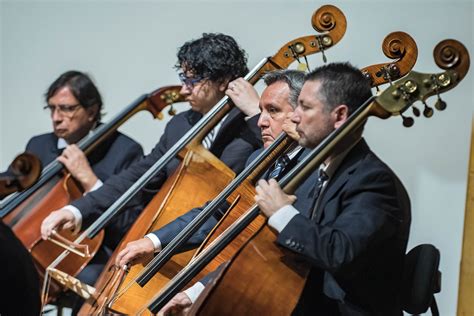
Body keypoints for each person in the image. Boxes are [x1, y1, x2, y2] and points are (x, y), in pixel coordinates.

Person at [160, 63, 411, 316]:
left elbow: (339, 252)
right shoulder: (329, 168)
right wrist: (199, 292)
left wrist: (282, 213)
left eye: (306, 107)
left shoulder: (371, 179)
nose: (295, 116)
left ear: (340, 116)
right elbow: (265, 254)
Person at [40, 34, 262, 307]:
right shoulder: (180, 124)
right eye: (184, 78)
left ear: (223, 81)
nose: (183, 90)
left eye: (192, 81)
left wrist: (256, 113)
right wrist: (76, 209)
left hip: (209, 255)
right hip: (159, 255)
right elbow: (139, 175)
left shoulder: (253, 128)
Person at [114, 69, 305, 268]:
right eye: (261, 111)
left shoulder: (318, 162)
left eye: (273, 111)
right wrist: (153, 242)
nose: (260, 122)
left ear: (300, 114)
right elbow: (219, 211)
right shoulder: (258, 159)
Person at [26, 70, 143, 193]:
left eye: (66, 109)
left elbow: (130, 211)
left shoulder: (125, 152)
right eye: (52, 108)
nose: (56, 118)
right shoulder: (37, 146)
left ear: (91, 112)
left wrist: (89, 180)